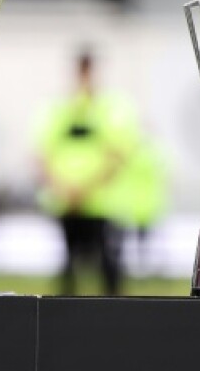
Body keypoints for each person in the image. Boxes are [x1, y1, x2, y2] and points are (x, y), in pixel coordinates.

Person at [34, 50, 140, 296]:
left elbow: (119, 155)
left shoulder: (110, 108)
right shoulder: (60, 108)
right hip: (67, 202)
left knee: (108, 265)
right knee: (69, 266)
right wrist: (62, 188)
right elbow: (42, 154)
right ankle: (65, 321)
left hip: (101, 203)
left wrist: (84, 189)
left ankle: (111, 317)